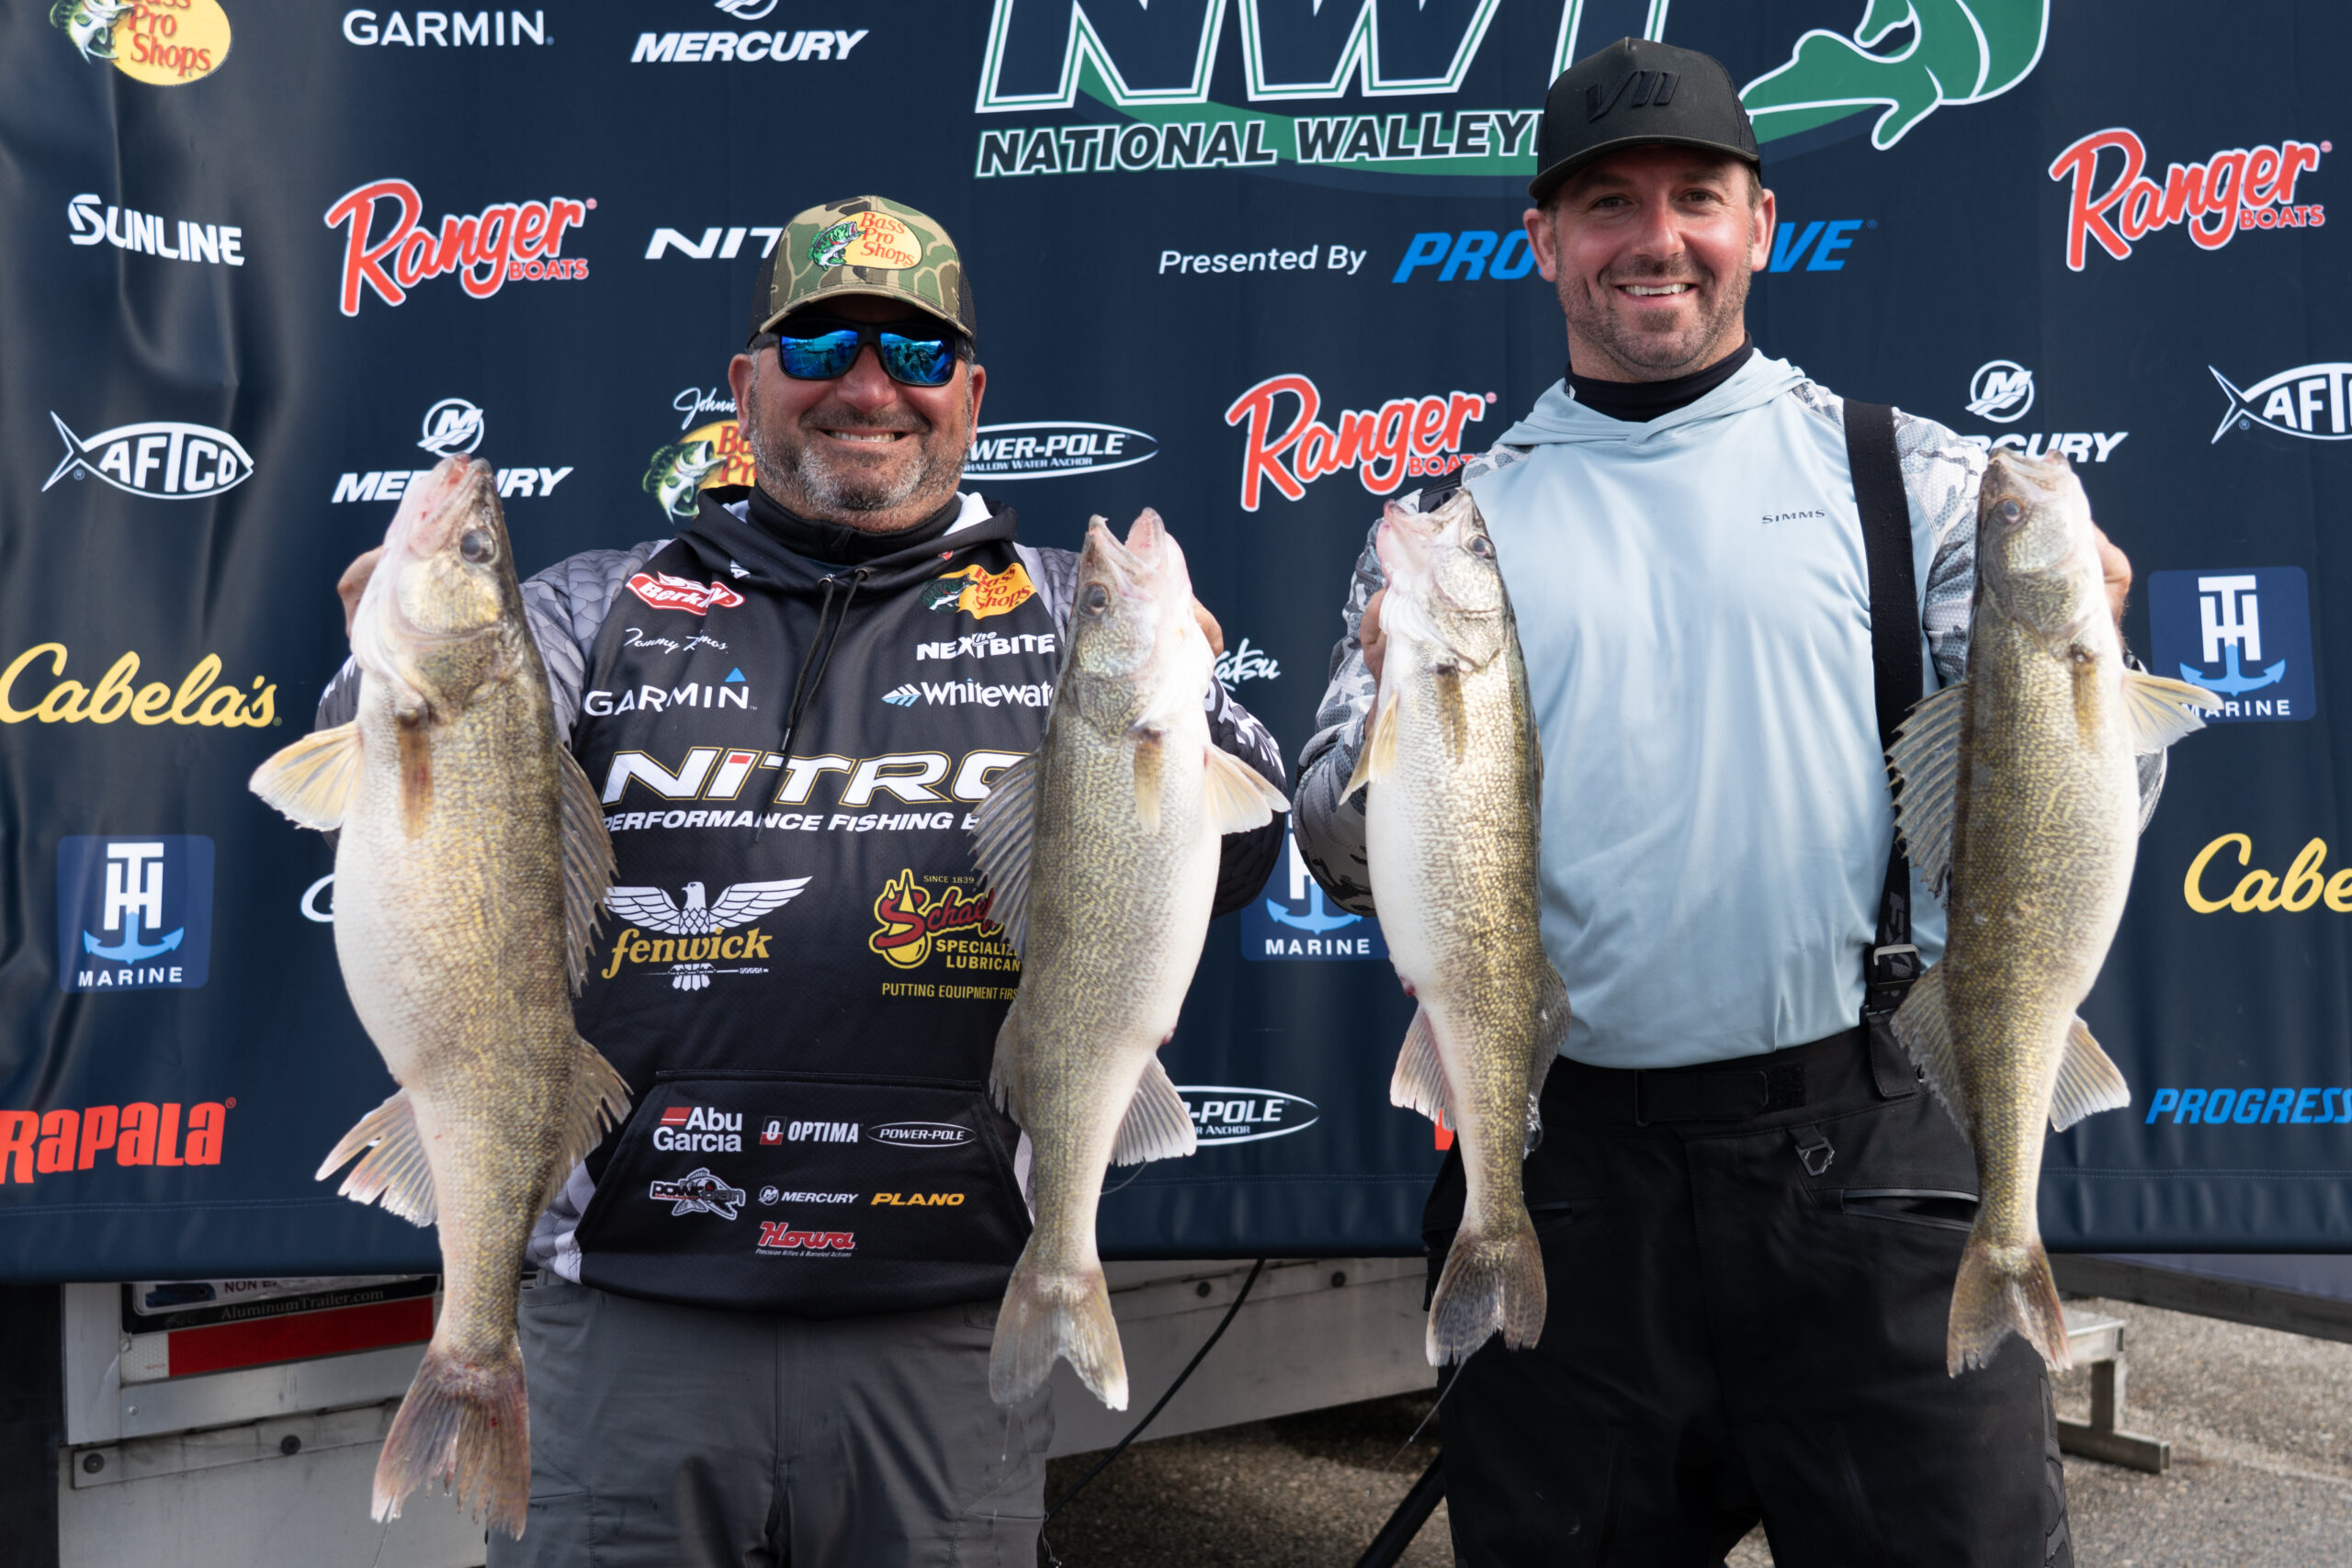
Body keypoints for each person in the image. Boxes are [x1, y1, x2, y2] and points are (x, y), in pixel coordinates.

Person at [318, 196, 1286, 1566]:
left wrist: (1197, 712)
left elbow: (1237, 859)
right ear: (746, 385)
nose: (868, 389)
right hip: (626, 1321)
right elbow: (412, 813)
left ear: (971, 394)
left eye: (917, 352)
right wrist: (376, 670)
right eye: (821, 344)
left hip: (944, 1326)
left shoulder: (1075, 611)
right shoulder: (593, 605)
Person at [1293, 39, 2152, 1568]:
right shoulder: (1447, 537)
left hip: (1869, 1164)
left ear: (1760, 222)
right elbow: (1336, 848)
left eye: (1697, 196)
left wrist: (2094, 663)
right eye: (1608, 204)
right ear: (1544, 239)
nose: (1657, 238)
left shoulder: (1924, 485)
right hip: (1566, 1185)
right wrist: (1392, 739)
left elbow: (2077, 807)